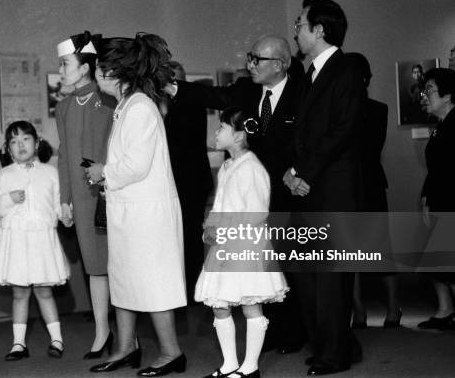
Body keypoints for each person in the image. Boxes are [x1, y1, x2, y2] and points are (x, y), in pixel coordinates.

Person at [165, 35, 306, 354]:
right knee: (255, 270)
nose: (251, 64)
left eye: (259, 59)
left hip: (286, 192)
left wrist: (299, 172)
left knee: (287, 268)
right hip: (247, 188)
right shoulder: (245, 89)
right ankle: (269, 336)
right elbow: (212, 94)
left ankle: (295, 332)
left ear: (281, 64)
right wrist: (173, 86)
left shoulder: (302, 93)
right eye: (251, 57)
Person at [85, 33, 187, 376]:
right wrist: (106, 175)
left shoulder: (140, 107)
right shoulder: (126, 106)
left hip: (148, 216)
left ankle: (172, 352)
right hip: (131, 213)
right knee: (125, 279)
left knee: (153, 283)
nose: (96, 74)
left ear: (114, 72)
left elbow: (136, 166)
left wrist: (102, 172)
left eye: (99, 68)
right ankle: (125, 347)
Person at [284, 0, 366, 376]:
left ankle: (333, 355)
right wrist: (290, 171)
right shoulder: (309, 73)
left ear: (320, 29)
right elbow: (298, 133)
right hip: (305, 185)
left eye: (300, 24)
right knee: (305, 273)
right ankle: (334, 344)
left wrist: (306, 173)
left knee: (331, 278)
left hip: (331, 189)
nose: (295, 31)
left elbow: (343, 131)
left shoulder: (345, 69)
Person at [195, 106, 289, 378]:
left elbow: (256, 214)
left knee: (250, 303)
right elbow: (220, 205)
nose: (216, 131)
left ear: (238, 136)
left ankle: (250, 367)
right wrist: (210, 228)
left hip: (245, 246)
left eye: (222, 128)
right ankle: (229, 364)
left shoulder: (252, 168)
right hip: (223, 245)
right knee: (220, 304)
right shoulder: (227, 166)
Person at [0, 121, 70, 361]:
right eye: (13, 141)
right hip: (16, 242)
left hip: (42, 241)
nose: (20, 145)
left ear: (37, 142)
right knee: (20, 293)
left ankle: (57, 339)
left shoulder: (51, 173)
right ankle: (18, 344)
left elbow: (58, 204)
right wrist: (8, 199)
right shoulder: (3, 176)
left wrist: (65, 215)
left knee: (44, 291)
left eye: (25, 139)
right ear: (8, 149)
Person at [55, 31, 116, 358]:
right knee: (94, 267)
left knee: (117, 266)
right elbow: (64, 155)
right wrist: (64, 199)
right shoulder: (63, 107)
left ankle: (126, 336)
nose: (61, 70)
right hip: (80, 196)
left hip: (109, 193)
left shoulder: (108, 99)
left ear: (84, 68)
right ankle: (102, 332)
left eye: (65, 64)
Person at [345, 52, 400, 330]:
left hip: (369, 184)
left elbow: (367, 148)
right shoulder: (340, 109)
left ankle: (393, 309)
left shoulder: (377, 109)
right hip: (348, 186)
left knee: (381, 249)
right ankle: (360, 312)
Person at [162, 61, 213, 301]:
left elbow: (177, 144)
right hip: (187, 181)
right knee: (183, 238)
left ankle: (191, 289)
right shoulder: (178, 105)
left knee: (190, 238)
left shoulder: (188, 104)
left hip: (189, 182)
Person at [418, 68, 455, 330]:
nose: (425, 95)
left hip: (452, 201)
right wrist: (425, 196)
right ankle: (445, 311)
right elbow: (436, 168)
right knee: (437, 258)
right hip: (440, 199)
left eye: (430, 89)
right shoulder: (439, 126)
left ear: (448, 94)